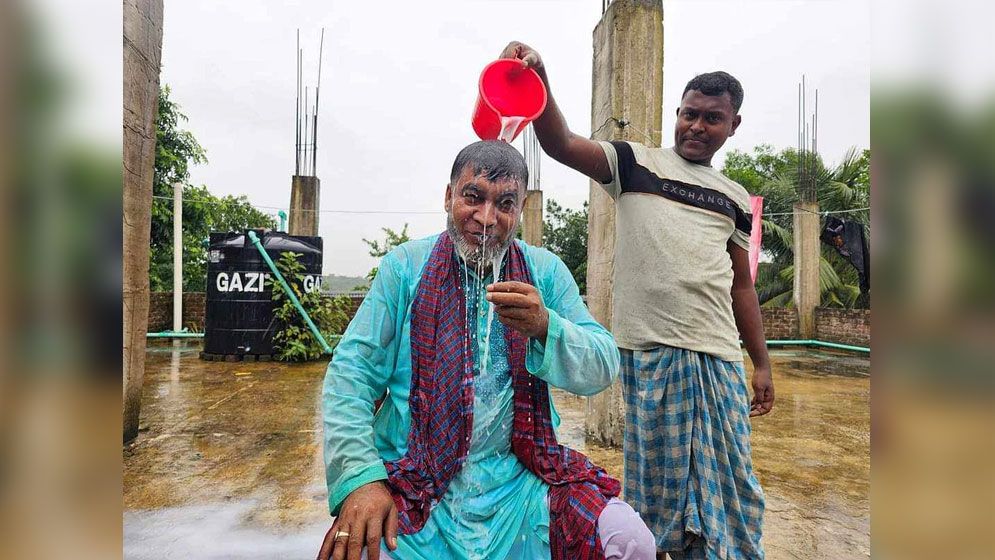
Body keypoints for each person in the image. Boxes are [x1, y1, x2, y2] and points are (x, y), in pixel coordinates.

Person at [499, 41, 775, 559]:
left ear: (733, 125)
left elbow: (742, 287)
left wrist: (760, 363)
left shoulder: (736, 199)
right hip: (650, 356)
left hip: (717, 358)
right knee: (658, 492)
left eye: (712, 119)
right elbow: (560, 144)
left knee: (732, 488)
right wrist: (541, 79)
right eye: (689, 114)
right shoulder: (634, 163)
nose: (697, 126)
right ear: (677, 114)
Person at [317, 140, 656, 560]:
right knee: (355, 547)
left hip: (518, 485)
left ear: (521, 210)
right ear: (448, 196)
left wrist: (545, 326)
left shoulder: (545, 273)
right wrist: (362, 481)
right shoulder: (404, 268)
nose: (486, 218)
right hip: (414, 481)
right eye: (473, 197)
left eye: (505, 204)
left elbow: (603, 366)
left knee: (630, 541)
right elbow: (351, 376)